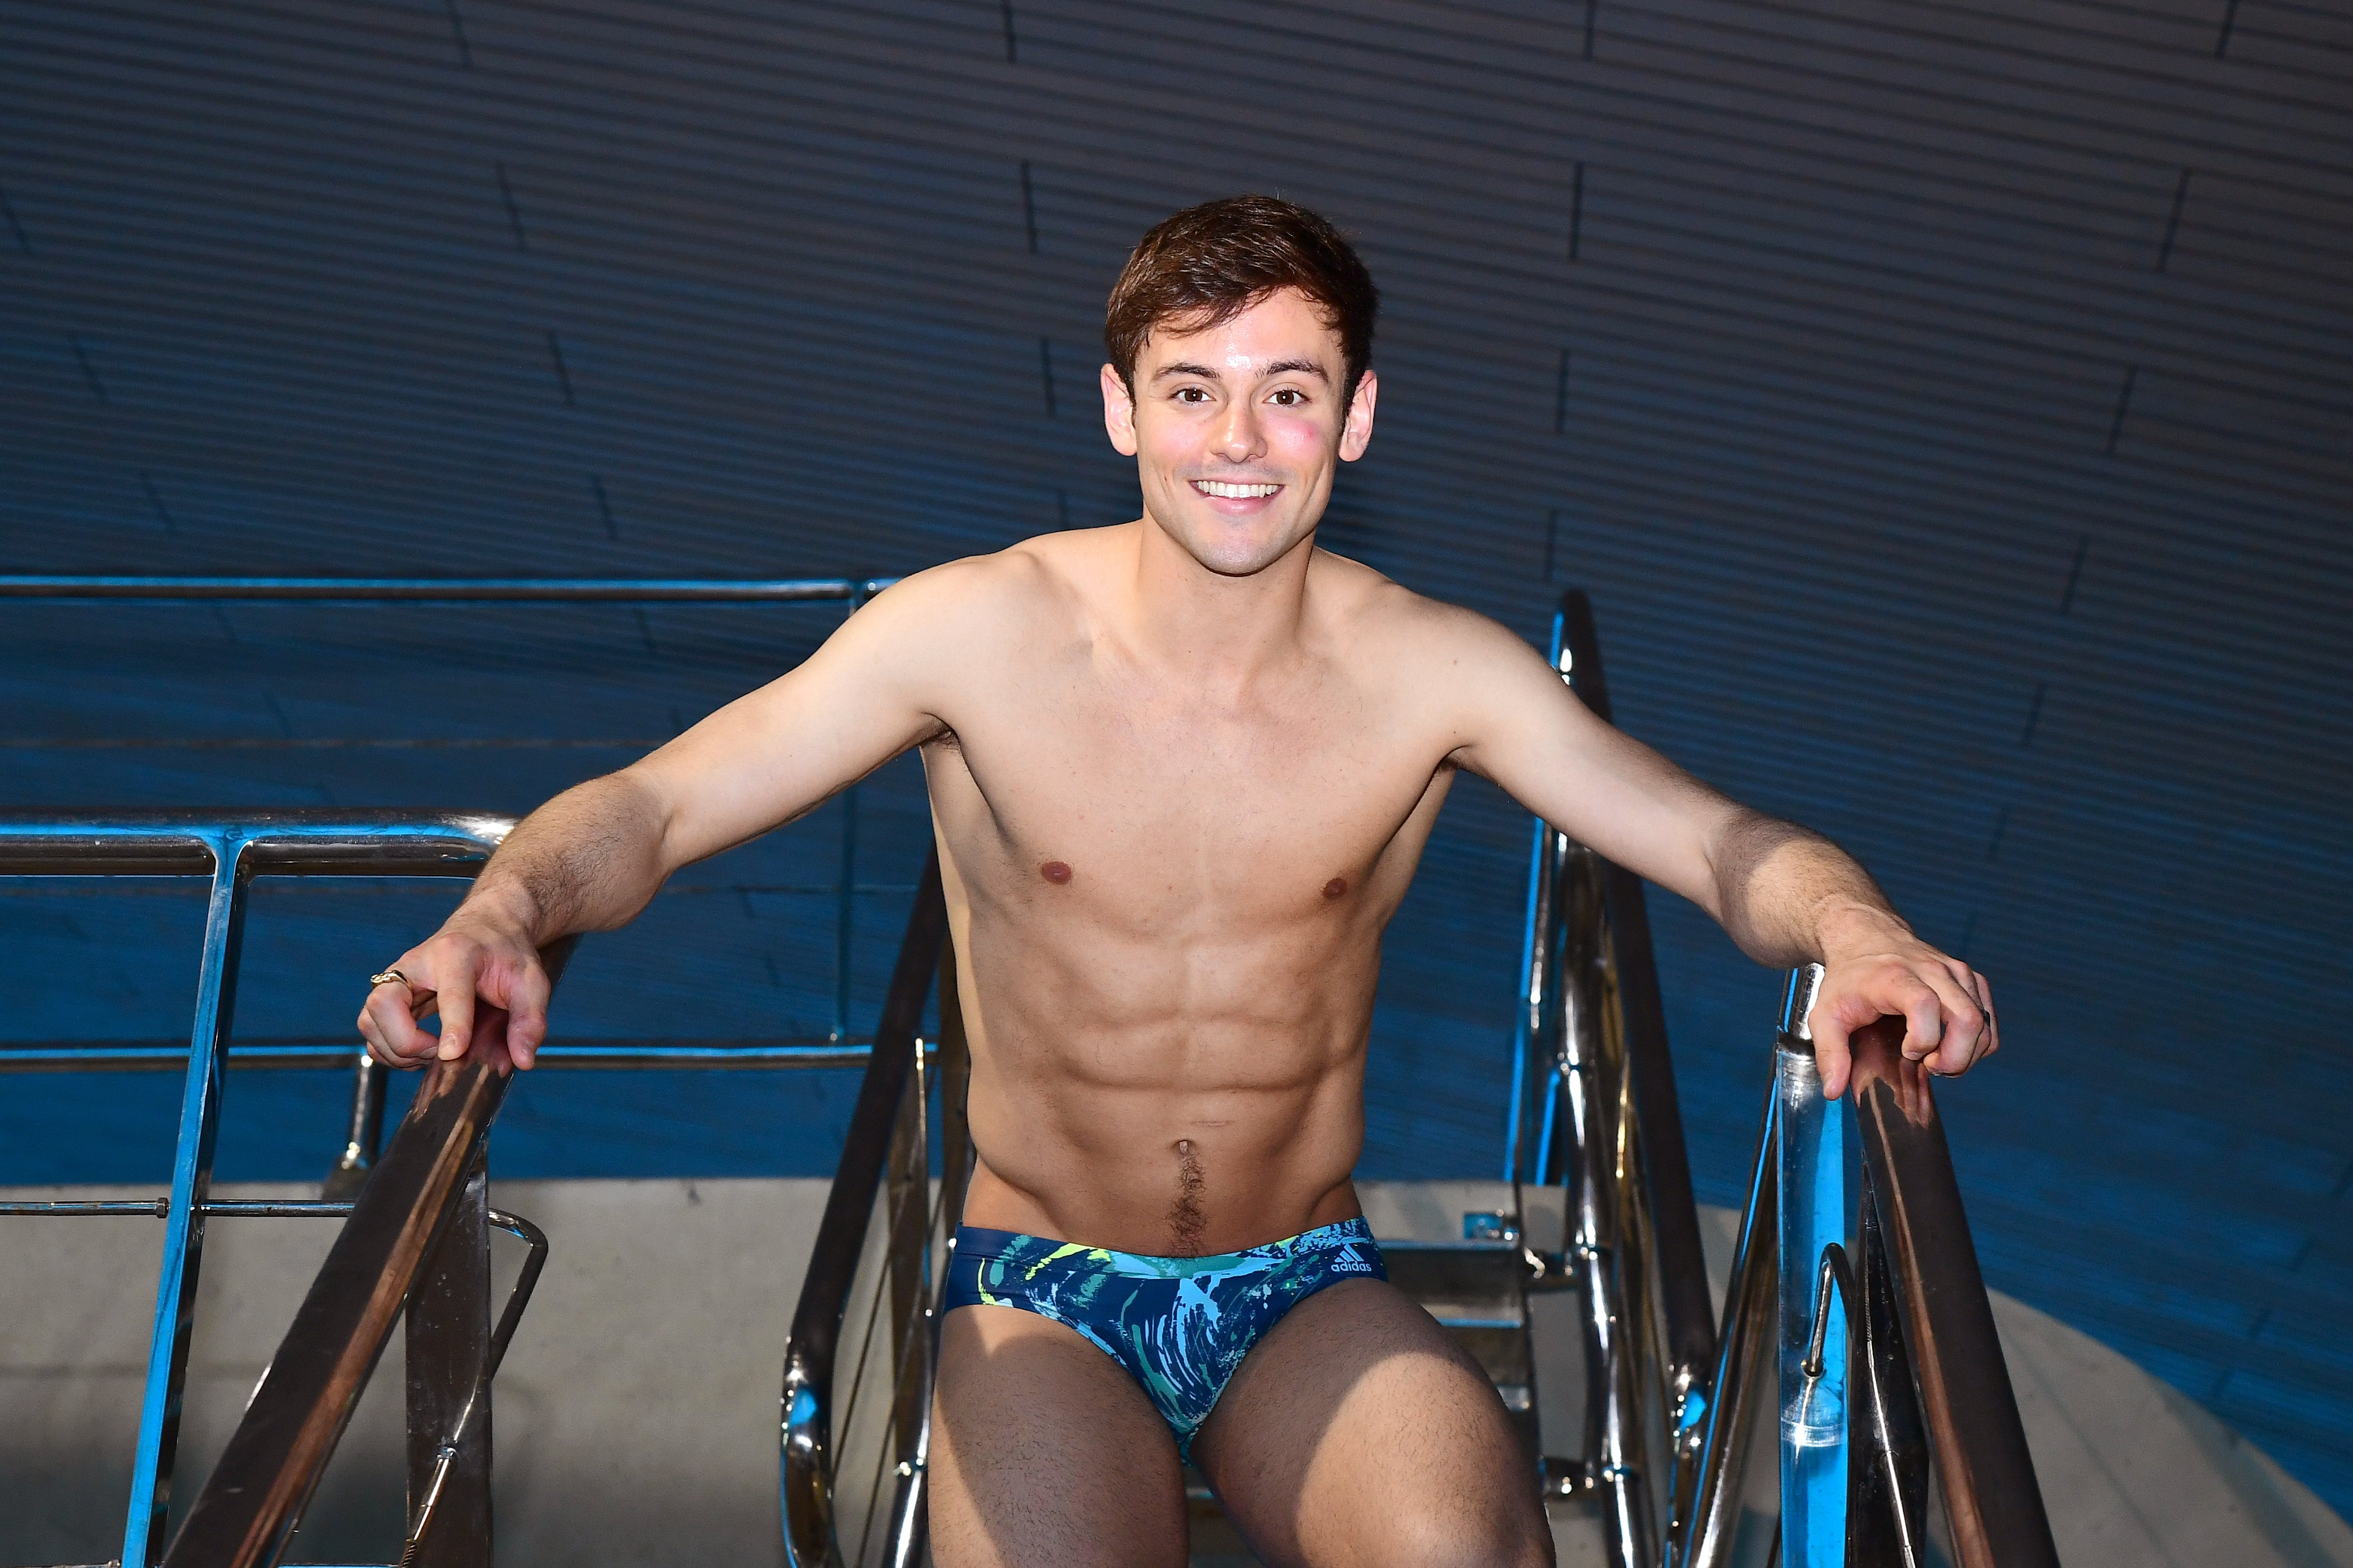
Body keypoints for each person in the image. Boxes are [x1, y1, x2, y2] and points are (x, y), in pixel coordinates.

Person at [358, 194, 1997, 1568]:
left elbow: (1712, 842)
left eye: (1289, 392)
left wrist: (1855, 931)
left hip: (1301, 1280)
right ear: (1118, 408)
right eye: (1192, 389)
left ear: (1355, 416)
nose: (1238, 441)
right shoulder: (974, 635)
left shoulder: (1432, 675)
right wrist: (504, 910)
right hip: (1040, 1284)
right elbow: (654, 805)